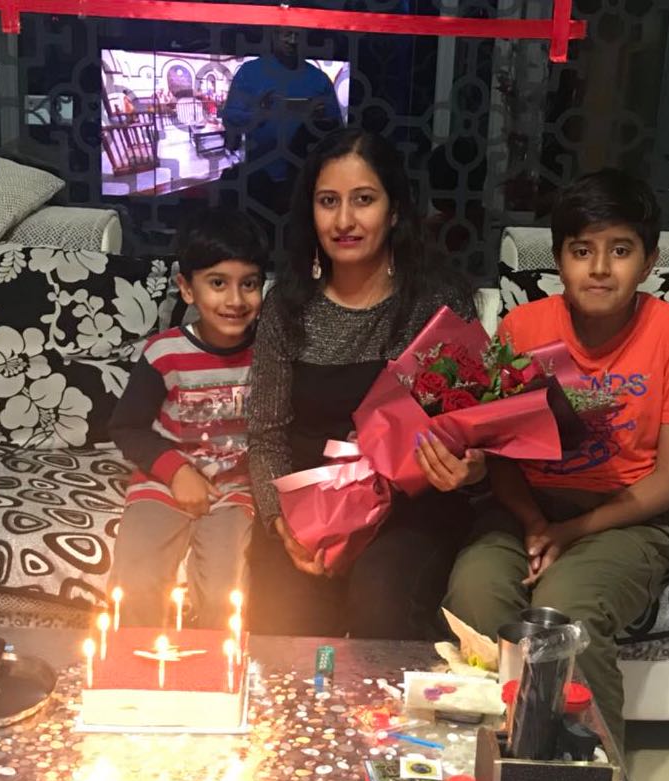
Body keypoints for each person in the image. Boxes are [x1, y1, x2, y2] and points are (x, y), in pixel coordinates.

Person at [443, 169, 669, 750]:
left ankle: (589, 779)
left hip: (625, 514)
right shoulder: (523, 328)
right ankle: (485, 759)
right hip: (525, 506)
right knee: (475, 594)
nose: (599, 268)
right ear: (559, 261)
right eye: (581, 251)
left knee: (565, 615)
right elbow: (500, 454)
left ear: (648, 262)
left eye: (620, 250)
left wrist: (570, 531)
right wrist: (534, 522)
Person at [247, 126, 486, 639]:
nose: (343, 221)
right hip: (308, 506)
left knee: (381, 595)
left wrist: (470, 468)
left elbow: (474, 427)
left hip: (409, 510)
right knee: (284, 618)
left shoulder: (436, 303)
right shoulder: (286, 307)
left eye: (363, 200)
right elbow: (266, 437)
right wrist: (282, 525)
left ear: (394, 210)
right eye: (328, 202)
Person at [108, 208, 268, 628]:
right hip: (164, 483)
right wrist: (177, 472)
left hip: (234, 490)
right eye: (218, 283)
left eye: (249, 284)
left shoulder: (269, 355)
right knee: (137, 579)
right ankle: (135, 662)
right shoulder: (165, 353)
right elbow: (127, 427)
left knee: (226, 591)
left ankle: (214, 665)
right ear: (186, 288)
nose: (235, 300)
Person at [222, 28, 343, 213]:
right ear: (274, 35)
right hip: (259, 178)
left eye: (298, 35)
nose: (292, 40)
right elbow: (230, 118)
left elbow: (337, 131)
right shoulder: (249, 72)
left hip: (305, 181)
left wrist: (322, 119)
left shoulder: (319, 79)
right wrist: (259, 115)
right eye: (287, 33)